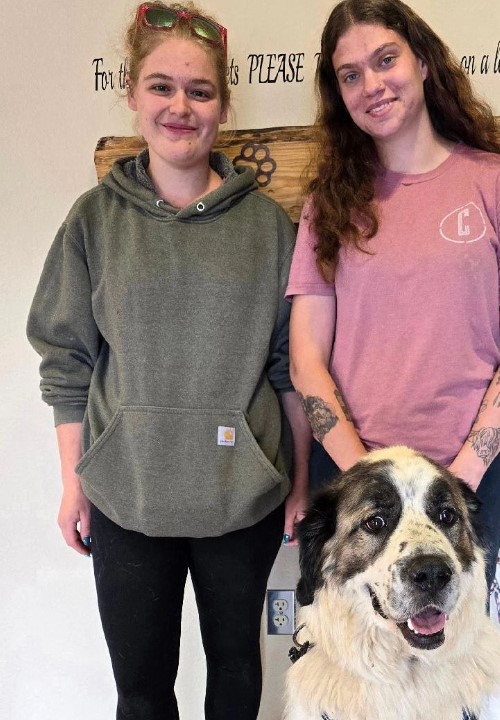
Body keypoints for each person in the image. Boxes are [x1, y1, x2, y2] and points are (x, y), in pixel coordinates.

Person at [27, 3, 310, 719]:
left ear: (222, 104)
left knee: (236, 684)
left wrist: (300, 486)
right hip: (127, 494)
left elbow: (289, 370)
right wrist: (74, 484)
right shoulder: (94, 219)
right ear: (131, 95)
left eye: (199, 90)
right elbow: (65, 361)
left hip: (241, 497)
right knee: (143, 695)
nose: (180, 106)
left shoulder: (268, 226)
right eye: (161, 86)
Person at [285, 0, 500, 590]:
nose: (372, 85)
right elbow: (306, 358)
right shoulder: (326, 207)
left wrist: (459, 479)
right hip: (356, 486)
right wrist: (364, 478)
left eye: (386, 60)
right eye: (350, 75)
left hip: (466, 475)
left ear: (424, 62)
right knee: (354, 661)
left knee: (450, 665)